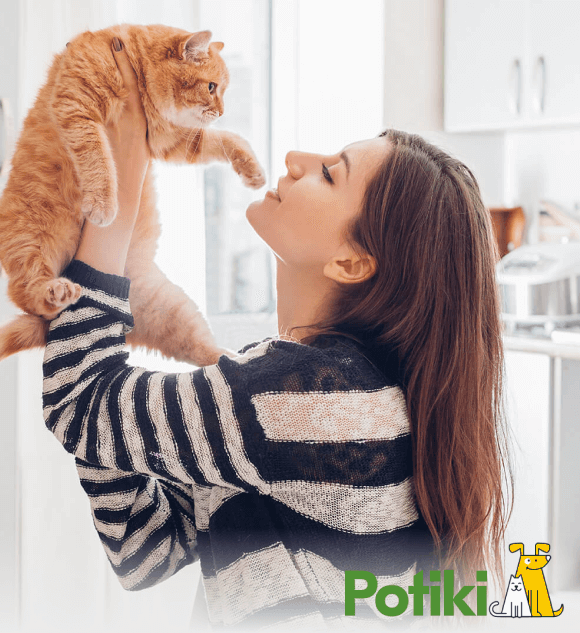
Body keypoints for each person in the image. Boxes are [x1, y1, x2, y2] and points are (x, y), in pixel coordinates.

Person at [41, 37, 510, 629]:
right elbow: (144, 550)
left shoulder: (313, 402)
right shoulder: (328, 396)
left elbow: (76, 401)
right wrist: (111, 278)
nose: (294, 157)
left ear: (353, 262)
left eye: (330, 174)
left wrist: (120, 196)